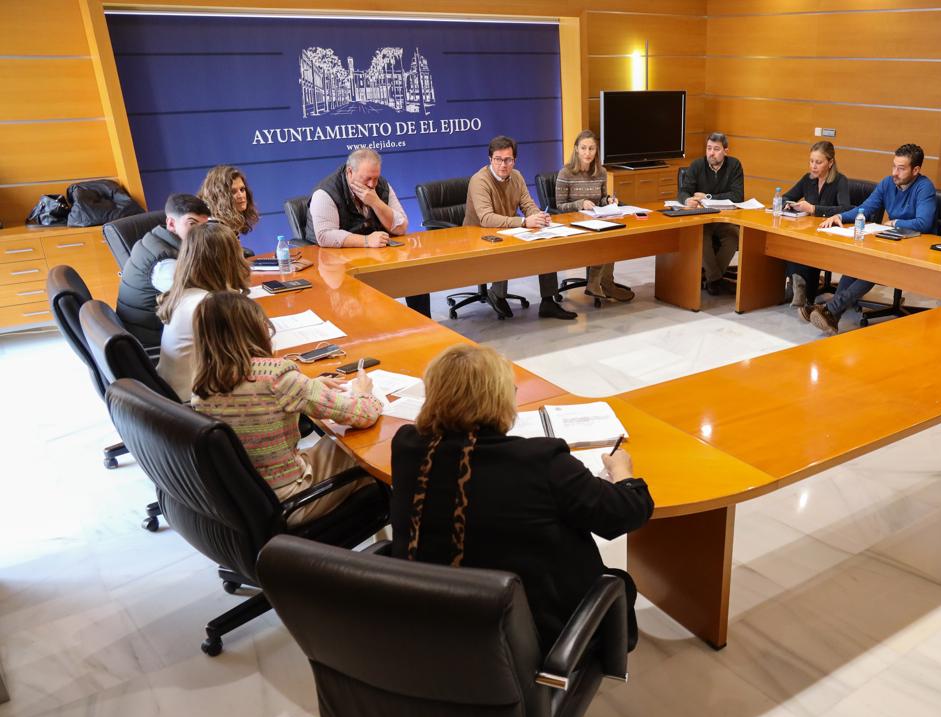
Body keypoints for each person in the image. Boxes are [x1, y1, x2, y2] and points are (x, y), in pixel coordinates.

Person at [390, 344, 653, 652]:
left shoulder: (407, 447)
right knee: (616, 579)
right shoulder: (541, 462)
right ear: (501, 400)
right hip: (525, 636)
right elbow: (623, 513)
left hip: (431, 620)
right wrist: (623, 474)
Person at [191, 291, 382, 525]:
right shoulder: (277, 377)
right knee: (370, 449)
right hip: (291, 499)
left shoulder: (202, 385)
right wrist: (363, 391)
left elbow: (259, 404)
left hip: (244, 499)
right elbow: (363, 415)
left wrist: (309, 386)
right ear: (256, 329)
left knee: (338, 444)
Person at [809, 143, 936, 334]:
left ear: (916, 170)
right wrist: (841, 217)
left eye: (901, 169)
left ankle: (832, 309)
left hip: (916, 248)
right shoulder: (887, 183)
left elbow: (924, 222)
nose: (895, 172)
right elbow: (866, 208)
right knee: (860, 261)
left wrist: (894, 223)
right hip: (891, 242)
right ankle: (832, 311)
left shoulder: (924, 187)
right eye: (894, 166)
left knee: (874, 268)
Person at [306, 148, 430, 317]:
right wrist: (366, 240)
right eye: (367, 179)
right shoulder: (325, 193)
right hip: (335, 264)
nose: (372, 185)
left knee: (414, 273)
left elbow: (401, 226)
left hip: (372, 257)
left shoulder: (381, 186)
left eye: (375, 178)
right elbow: (325, 235)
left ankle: (423, 326)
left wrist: (376, 202)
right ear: (350, 172)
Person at [464, 135, 576, 320]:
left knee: (545, 244)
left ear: (514, 160)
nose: (503, 165)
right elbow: (486, 219)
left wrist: (538, 216)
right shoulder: (479, 180)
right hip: (479, 234)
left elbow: (527, 204)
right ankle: (496, 294)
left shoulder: (516, 176)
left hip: (507, 228)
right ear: (490, 159)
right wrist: (524, 222)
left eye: (508, 160)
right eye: (498, 159)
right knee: (503, 247)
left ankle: (548, 302)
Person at [156, 223, 251, 400]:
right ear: (229, 260)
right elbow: (245, 361)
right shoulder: (208, 306)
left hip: (172, 396)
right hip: (196, 402)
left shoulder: (183, 294)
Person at [116, 193, 209, 347]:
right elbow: (201, 308)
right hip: (155, 343)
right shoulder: (165, 264)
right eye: (192, 224)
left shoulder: (156, 239)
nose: (201, 233)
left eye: (204, 226)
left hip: (156, 332)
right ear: (171, 224)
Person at [555, 129, 633, 302]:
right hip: (573, 224)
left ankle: (601, 283)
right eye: (583, 148)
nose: (587, 153)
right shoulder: (565, 173)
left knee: (613, 233)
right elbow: (559, 207)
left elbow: (602, 199)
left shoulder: (601, 172)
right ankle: (601, 284)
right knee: (604, 238)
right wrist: (580, 203)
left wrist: (610, 200)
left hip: (596, 221)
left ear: (596, 150)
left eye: (591, 148)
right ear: (576, 149)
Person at [781, 140, 852, 307]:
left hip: (830, 233)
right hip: (809, 230)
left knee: (810, 249)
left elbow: (845, 208)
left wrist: (814, 208)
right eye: (811, 161)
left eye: (818, 162)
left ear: (830, 162)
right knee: (788, 241)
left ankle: (803, 291)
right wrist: (787, 203)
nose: (813, 166)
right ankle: (799, 287)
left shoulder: (840, 181)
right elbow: (787, 195)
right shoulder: (808, 179)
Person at [678, 132, 745, 294]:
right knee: (702, 237)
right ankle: (715, 280)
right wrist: (687, 200)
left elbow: (737, 196)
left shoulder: (734, 165)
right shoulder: (697, 165)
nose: (711, 153)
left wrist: (708, 197)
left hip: (724, 219)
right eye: (709, 148)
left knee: (734, 236)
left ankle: (712, 278)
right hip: (701, 219)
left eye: (716, 149)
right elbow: (683, 192)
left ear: (725, 151)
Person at [198, 164, 259, 242]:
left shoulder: (228, 222)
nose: (240, 195)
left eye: (242, 189)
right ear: (218, 196)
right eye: (233, 192)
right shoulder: (212, 230)